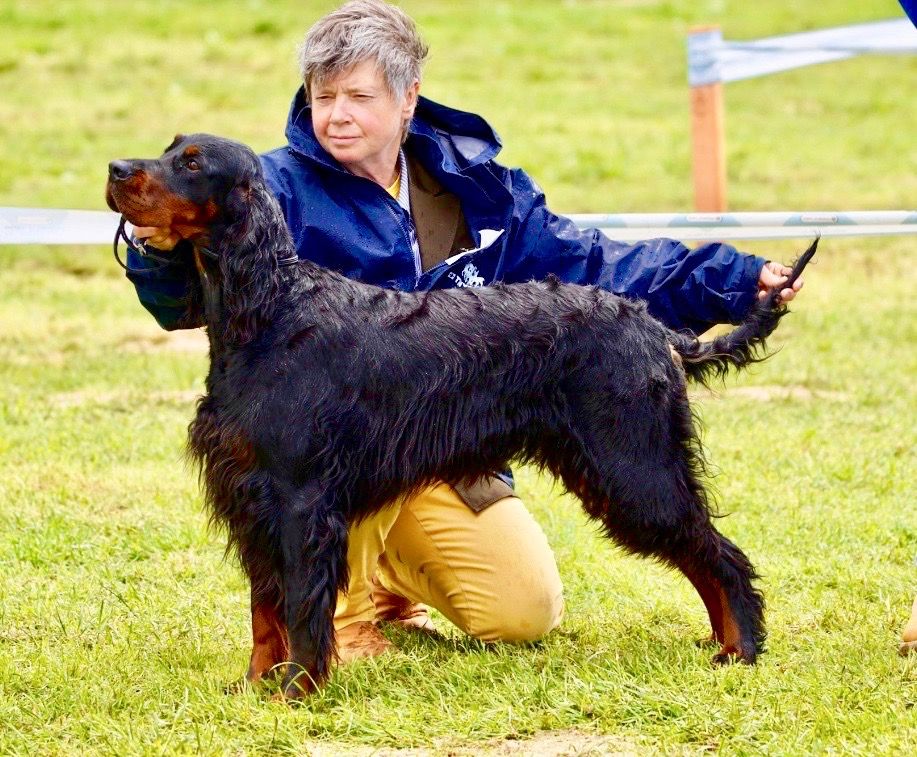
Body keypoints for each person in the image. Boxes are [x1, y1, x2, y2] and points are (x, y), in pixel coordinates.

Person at [125, 0, 804, 663]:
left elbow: (593, 263)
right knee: (315, 463)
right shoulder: (269, 185)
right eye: (321, 94)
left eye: (357, 95)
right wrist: (157, 249)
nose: (335, 114)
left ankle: (729, 605)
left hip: (446, 445)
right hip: (335, 440)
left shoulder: (475, 187)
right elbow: (184, 301)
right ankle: (341, 624)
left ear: (407, 98)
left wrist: (733, 279)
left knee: (525, 606)